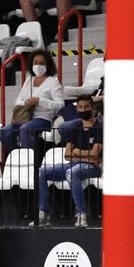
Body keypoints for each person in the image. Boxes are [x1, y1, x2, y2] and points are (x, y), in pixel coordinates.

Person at [36, 95, 102, 227]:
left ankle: (81, 214)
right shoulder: (74, 127)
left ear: (92, 108)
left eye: (86, 107)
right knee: (42, 172)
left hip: (92, 167)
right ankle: (43, 213)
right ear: (77, 109)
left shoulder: (99, 128)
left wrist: (77, 152)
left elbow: (95, 155)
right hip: (73, 164)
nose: (83, 110)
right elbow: (67, 155)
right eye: (80, 107)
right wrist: (82, 155)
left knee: (72, 172)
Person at [0, 51, 65, 155]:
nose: (38, 65)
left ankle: (32, 161)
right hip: (25, 117)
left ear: (48, 65)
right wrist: (26, 102)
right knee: (4, 132)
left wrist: (40, 101)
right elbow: (18, 101)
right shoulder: (28, 80)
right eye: (35, 62)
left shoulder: (53, 82)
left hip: (43, 119)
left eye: (42, 63)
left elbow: (60, 104)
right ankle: (20, 156)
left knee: (25, 129)